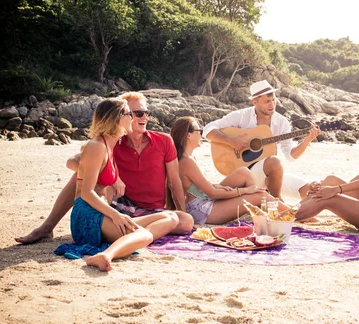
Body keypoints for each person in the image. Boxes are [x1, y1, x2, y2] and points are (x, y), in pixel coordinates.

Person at [15, 92, 193, 245]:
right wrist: (113, 176)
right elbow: (73, 162)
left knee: (185, 221)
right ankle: (48, 226)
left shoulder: (163, 140)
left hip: (151, 208)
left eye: (145, 112)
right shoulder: (110, 141)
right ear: (119, 117)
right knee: (81, 174)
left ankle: (135, 234)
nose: (143, 118)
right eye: (137, 113)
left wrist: (181, 209)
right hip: (120, 204)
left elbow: (174, 181)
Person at [55, 98, 180, 271]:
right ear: (118, 118)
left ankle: (126, 239)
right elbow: (86, 193)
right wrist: (116, 215)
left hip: (100, 212)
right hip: (86, 216)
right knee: (144, 234)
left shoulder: (111, 145)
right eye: (129, 114)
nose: (133, 118)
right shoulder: (97, 145)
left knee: (171, 218)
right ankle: (106, 255)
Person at [203, 80, 321, 200]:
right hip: (243, 174)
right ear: (255, 102)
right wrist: (230, 140)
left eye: (273, 100)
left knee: (307, 189)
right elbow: (207, 130)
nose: (272, 105)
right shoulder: (241, 116)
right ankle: (275, 202)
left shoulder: (281, 122)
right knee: (274, 162)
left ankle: (274, 199)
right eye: (267, 101)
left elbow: (291, 156)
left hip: (268, 174)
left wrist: (307, 140)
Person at [171, 116, 287, 225]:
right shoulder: (187, 162)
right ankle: (292, 213)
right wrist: (245, 191)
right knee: (259, 195)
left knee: (244, 172)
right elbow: (212, 193)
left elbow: (198, 187)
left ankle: (257, 210)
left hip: (205, 200)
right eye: (199, 131)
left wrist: (217, 186)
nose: (202, 135)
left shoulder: (190, 158)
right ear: (188, 135)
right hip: (203, 211)